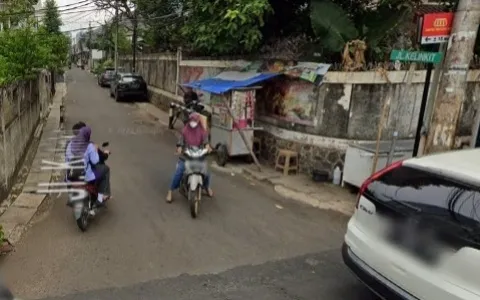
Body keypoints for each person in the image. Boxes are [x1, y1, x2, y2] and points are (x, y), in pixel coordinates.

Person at [166, 113, 213, 203]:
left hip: (198, 156)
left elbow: (206, 141)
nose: (193, 123)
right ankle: (170, 191)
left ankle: (206, 187)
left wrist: (207, 147)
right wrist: (179, 147)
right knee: (179, 172)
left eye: (195, 121)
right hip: (187, 156)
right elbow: (180, 141)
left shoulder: (202, 131)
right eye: (191, 121)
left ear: (198, 121)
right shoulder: (185, 130)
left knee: (206, 173)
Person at [67, 126, 111, 205]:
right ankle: (100, 198)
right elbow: (95, 161)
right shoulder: (89, 146)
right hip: (86, 176)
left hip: (70, 176)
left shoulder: (70, 145)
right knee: (105, 169)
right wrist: (96, 149)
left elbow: (66, 160)